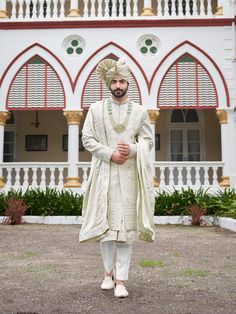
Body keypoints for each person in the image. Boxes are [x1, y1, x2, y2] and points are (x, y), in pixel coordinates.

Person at [79, 58, 155, 298]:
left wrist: (132, 150)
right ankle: (107, 275)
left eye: (122, 80)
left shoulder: (141, 112)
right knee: (107, 230)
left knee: (125, 231)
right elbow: (87, 139)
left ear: (128, 82)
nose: (118, 85)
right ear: (108, 84)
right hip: (104, 175)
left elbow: (148, 141)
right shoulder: (95, 109)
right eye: (114, 81)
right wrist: (110, 154)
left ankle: (121, 280)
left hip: (130, 177)